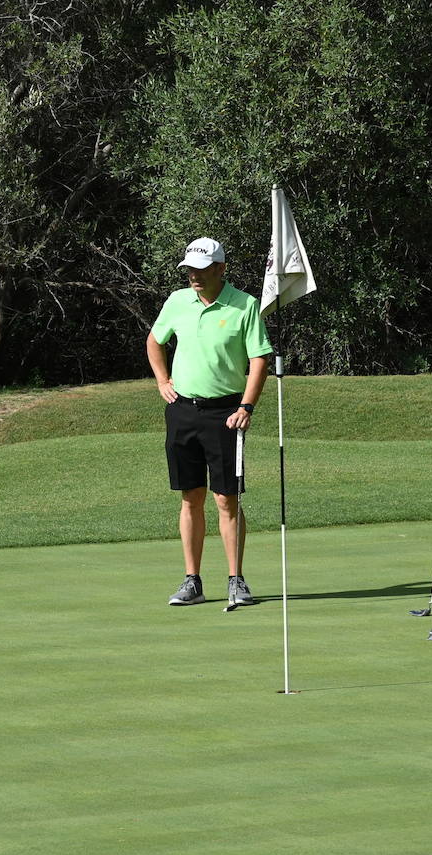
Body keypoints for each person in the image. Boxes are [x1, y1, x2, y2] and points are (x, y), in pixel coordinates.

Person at [146, 238, 272, 607]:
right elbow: (155, 341)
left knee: (226, 498)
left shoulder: (244, 305)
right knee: (190, 497)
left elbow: (260, 359)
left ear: (221, 268)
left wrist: (247, 406)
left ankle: (236, 580)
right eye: (190, 270)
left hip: (226, 414)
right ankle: (192, 581)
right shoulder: (177, 301)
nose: (194, 276)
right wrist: (162, 382)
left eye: (202, 269)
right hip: (182, 410)